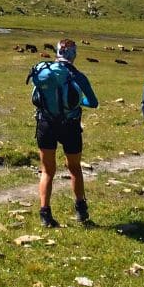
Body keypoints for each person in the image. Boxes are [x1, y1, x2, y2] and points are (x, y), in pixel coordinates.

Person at [28, 38, 98, 227]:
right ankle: (81, 210)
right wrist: (77, 102)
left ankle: (45, 213)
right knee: (74, 168)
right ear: (73, 54)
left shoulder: (45, 72)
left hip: (45, 124)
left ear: (57, 52)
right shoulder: (77, 75)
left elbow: (36, 97)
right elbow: (93, 102)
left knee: (47, 170)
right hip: (70, 125)